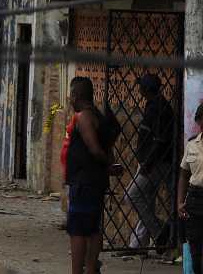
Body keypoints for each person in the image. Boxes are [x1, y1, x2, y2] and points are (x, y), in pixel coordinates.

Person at [66, 76, 112, 274]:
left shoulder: (84, 117)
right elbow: (107, 147)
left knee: (78, 231)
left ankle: (79, 271)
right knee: (93, 229)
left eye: (70, 95)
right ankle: (91, 269)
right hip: (95, 182)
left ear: (76, 95)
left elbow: (94, 149)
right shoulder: (98, 116)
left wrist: (108, 164)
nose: (69, 99)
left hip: (84, 183)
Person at [128, 73, 174, 249]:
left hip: (156, 163)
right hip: (153, 161)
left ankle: (161, 229)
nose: (138, 89)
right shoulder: (154, 105)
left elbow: (160, 140)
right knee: (145, 200)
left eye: (141, 86)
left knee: (132, 195)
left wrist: (148, 162)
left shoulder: (159, 108)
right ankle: (141, 242)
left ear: (146, 89)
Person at [178, 102, 203, 273]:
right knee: (195, 246)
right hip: (195, 199)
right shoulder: (192, 144)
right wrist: (180, 201)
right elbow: (184, 174)